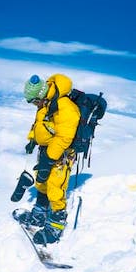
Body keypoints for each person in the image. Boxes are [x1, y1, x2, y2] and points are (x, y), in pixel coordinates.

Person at [21, 73, 80, 245]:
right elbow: (40, 124)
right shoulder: (45, 104)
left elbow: (65, 137)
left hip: (62, 154)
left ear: (40, 96)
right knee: (41, 182)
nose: (33, 105)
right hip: (47, 151)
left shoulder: (64, 106)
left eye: (33, 101)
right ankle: (39, 214)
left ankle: (55, 226)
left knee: (55, 187)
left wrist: (50, 158)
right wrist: (33, 139)